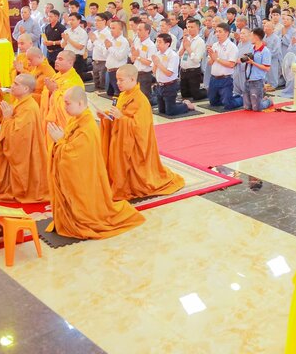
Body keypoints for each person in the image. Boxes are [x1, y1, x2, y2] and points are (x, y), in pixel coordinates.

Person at [46, 86, 145, 239]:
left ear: (80, 103)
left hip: (85, 178)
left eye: (67, 103)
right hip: (81, 174)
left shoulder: (87, 127)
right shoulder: (76, 119)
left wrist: (59, 141)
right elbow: (69, 146)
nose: (64, 107)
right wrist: (59, 141)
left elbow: (74, 156)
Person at [99, 65, 185, 201]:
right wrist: (107, 115)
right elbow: (119, 115)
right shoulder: (123, 95)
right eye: (117, 79)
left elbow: (141, 130)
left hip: (133, 148)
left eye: (121, 80)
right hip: (120, 139)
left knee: (136, 180)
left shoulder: (141, 101)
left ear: (132, 79)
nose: (118, 83)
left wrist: (122, 118)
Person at [0, 74, 49, 203]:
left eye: (16, 84)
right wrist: (8, 118)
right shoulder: (20, 102)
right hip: (23, 148)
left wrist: (8, 118)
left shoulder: (29, 108)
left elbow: (19, 139)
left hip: (25, 154)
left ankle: (22, 188)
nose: (12, 86)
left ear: (26, 89)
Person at [40, 51, 85, 150]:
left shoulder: (74, 81)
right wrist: (50, 91)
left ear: (70, 62)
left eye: (60, 59)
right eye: (56, 58)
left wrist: (54, 91)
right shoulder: (56, 76)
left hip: (63, 124)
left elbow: (70, 105)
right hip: (51, 121)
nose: (56, 61)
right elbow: (47, 94)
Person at [149, 33, 192, 117]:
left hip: (170, 85)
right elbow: (153, 71)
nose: (157, 44)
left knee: (170, 112)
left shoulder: (173, 55)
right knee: (161, 111)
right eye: (157, 41)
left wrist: (158, 63)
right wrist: (155, 63)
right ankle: (177, 103)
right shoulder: (157, 54)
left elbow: (169, 73)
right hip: (159, 86)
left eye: (160, 42)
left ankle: (186, 105)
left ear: (167, 44)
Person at [240, 27, 272, 111]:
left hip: (257, 81)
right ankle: (261, 100)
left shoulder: (265, 51)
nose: (250, 38)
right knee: (247, 107)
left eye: (251, 36)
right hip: (248, 79)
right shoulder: (252, 48)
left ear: (256, 37)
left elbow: (267, 68)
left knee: (257, 108)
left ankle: (268, 101)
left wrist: (253, 63)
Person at [179, 17, 207, 100]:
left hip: (193, 71)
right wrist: (184, 47)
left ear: (198, 28)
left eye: (192, 27)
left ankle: (208, 91)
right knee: (185, 94)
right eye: (188, 27)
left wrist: (188, 48)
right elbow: (179, 55)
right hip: (183, 70)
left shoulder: (200, 41)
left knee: (196, 95)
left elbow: (197, 60)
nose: (189, 29)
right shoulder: (185, 39)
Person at [131, 22, 158, 102]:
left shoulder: (151, 45)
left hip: (145, 74)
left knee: (145, 98)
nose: (137, 32)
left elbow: (150, 63)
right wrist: (133, 55)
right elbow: (133, 59)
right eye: (137, 30)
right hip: (136, 73)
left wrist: (137, 57)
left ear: (147, 31)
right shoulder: (136, 41)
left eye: (140, 30)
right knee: (136, 97)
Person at [87, 12, 110, 93]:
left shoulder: (108, 33)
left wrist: (95, 41)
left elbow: (105, 50)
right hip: (95, 61)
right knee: (96, 85)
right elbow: (89, 48)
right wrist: (92, 41)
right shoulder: (95, 33)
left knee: (102, 86)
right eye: (95, 20)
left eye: (98, 20)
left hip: (104, 61)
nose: (95, 22)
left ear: (104, 21)